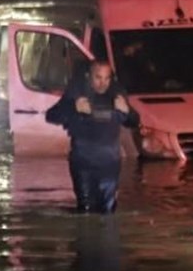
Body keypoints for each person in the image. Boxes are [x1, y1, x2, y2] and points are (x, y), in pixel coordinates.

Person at [45, 61, 140, 214]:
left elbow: (135, 122)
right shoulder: (76, 92)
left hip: (109, 165)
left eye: (106, 78)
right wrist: (73, 108)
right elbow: (51, 116)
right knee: (86, 210)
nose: (102, 83)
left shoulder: (117, 95)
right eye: (98, 78)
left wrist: (127, 110)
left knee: (108, 211)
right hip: (83, 163)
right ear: (89, 76)